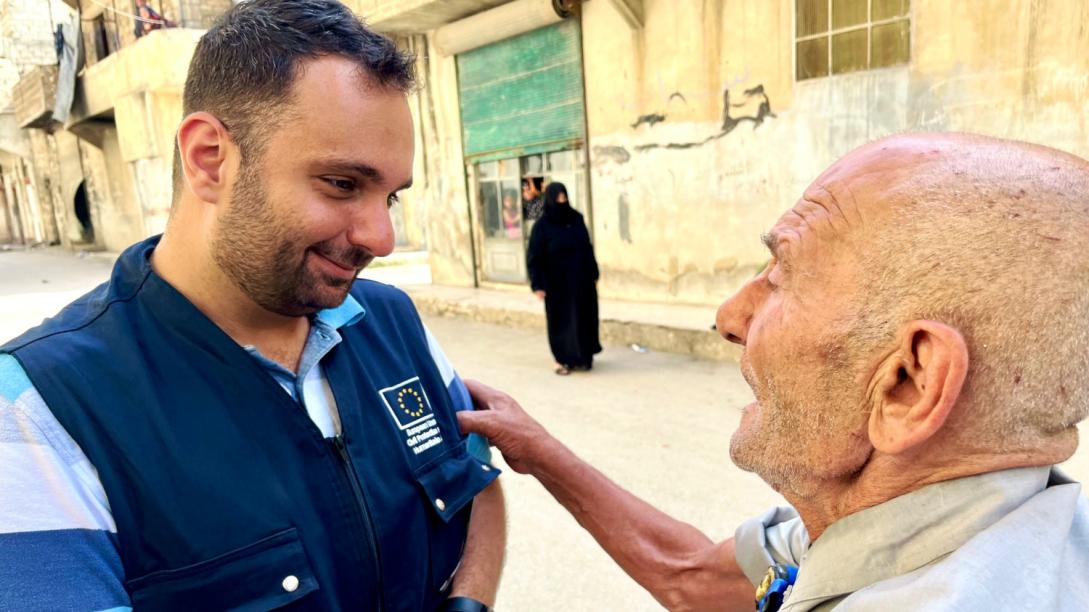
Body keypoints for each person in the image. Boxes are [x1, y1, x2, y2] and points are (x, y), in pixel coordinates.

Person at [0, 2, 504, 611]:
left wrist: (468, 603)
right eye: (343, 184)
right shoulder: (42, 411)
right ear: (210, 157)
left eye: (390, 197)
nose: (381, 238)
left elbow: (476, 487)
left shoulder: (392, 322)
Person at [459, 133, 1089, 610]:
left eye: (781, 277)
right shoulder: (941, 511)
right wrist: (537, 449)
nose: (731, 316)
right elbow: (693, 576)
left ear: (907, 384)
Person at [526, 182, 601, 376]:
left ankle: (583, 357)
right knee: (560, 322)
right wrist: (538, 284)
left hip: (581, 281)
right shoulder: (542, 227)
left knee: (583, 319)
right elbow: (534, 257)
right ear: (551, 199)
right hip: (556, 284)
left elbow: (587, 247)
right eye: (558, 198)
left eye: (564, 197)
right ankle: (562, 360)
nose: (562, 201)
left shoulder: (576, 219)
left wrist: (593, 272)